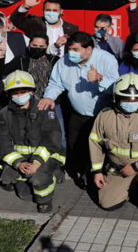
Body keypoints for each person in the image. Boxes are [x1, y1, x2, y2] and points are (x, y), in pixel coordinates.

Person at [38, 32, 119, 187]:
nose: (71, 53)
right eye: (69, 49)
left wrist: (100, 79)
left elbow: (116, 87)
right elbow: (56, 83)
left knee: (102, 147)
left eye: (75, 50)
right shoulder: (63, 62)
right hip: (78, 114)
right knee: (77, 146)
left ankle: (100, 175)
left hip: (102, 115)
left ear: (88, 49)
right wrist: (49, 97)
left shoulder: (106, 59)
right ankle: (81, 173)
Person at [89, 73, 138, 215]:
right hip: (118, 169)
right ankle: (130, 188)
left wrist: (136, 167)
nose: (130, 102)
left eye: (136, 99)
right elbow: (95, 143)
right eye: (125, 98)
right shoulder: (105, 116)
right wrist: (97, 172)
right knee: (107, 203)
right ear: (116, 97)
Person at [0, 71, 65, 213]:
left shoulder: (44, 109)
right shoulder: (3, 114)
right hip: (22, 159)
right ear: (8, 94)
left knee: (38, 180)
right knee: (25, 195)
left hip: (46, 156)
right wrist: (18, 163)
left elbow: (51, 139)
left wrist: (37, 162)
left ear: (32, 91)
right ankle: (28, 175)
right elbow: (2, 142)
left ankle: (45, 199)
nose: (20, 96)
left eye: (24, 91)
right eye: (15, 93)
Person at [0, 32, 58, 100]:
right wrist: (0, 56)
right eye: (34, 45)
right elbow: (0, 72)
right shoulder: (20, 60)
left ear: (46, 46)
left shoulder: (54, 60)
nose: (37, 48)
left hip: (50, 100)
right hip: (28, 102)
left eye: (41, 46)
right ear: (30, 44)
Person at [10, 0, 78, 56]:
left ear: (61, 11)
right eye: (48, 10)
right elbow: (15, 19)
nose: (51, 13)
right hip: (39, 65)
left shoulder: (71, 29)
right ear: (43, 11)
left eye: (54, 10)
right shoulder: (34, 23)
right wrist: (26, 6)